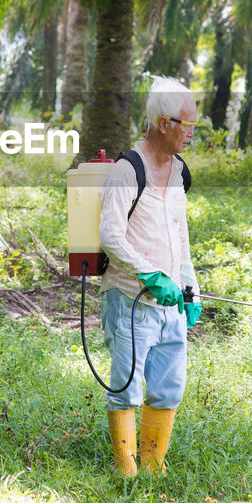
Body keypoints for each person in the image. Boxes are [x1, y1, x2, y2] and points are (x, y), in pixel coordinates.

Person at [97, 76, 202, 477]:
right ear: (163, 123)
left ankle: (153, 471)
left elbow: (180, 237)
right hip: (130, 302)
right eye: (186, 125)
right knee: (126, 388)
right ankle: (125, 471)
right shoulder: (129, 169)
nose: (191, 133)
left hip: (170, 303)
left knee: (168, 388)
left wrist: (190, 291)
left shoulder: (178, 172)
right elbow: (111, 236)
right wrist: (149, 275)